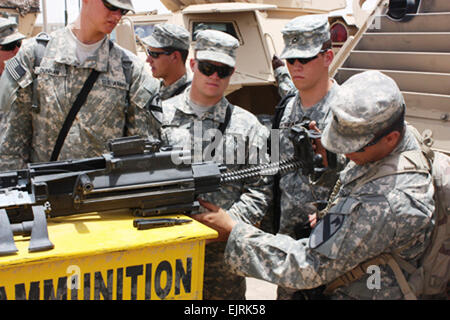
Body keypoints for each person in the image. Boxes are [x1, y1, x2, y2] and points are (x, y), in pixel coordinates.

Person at [194, 70, 436, 300]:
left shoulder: (387, 202)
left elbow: (308, 265)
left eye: (352, 146)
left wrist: (234, 231)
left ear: (390, 138)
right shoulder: (399, 138)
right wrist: (335, 163)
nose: (345, 152)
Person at [160, 29, 272, 300]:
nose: (214, 76)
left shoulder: (248, 127)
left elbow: (262, 188)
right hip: (167, 252)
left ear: (232, 73)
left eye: (223, 71)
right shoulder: (159, 116)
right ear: (193, 65)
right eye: (208, 67)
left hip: (222, 261)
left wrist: (229, 223)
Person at [0, 0, 161, 170]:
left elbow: (142, 155)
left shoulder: (131, 70)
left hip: (102, 193)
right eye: (111, 6)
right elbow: (10, 144)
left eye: (123, 11)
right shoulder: (34, 56)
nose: (117, 16)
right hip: (45, 191)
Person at [269, 14, 344, 299]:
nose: (296, 67)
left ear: (327, 57)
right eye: (291, 61)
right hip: (288, 245)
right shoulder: (285, 109)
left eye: (305, 59)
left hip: (332, 247)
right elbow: (273, 167)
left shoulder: (347, 114)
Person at [142, 23, 192, 100]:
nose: (148, 60)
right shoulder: (153, 90)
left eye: (154, 54)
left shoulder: (194, 97)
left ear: (175, 56)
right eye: (149, 52)